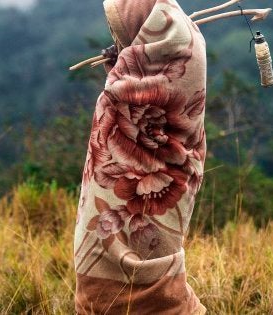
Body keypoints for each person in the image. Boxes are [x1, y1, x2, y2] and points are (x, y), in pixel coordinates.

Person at [73, 0, 207, 313]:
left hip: (155, 184)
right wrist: (120, 63)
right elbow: (131, 90)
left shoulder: (173, 61)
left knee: (142, 269)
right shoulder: (182, 50)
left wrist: (119, 67)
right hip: (144, 187)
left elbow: (125, 98)